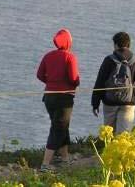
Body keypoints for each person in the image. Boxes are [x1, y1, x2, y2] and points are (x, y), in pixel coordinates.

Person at [36, 28, 80, 172]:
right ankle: (45, 164)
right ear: (68, 42)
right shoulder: (70, 57)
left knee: (61, 126)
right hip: (64, 98)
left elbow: (40, 75)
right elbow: (74, 79)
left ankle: (65, 158)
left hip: (49, 96)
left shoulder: (48, 56)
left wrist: (51, 82)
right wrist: (75, 82)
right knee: (58, 128)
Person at [91, 32, 135, 134]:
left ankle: (107, 149)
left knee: (108, 134)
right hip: (128, 103)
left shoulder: (108, 60)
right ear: (129, 45)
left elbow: (100, 82)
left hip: (110, 102)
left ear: (116, 45)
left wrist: (95, 104)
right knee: (123, 135)